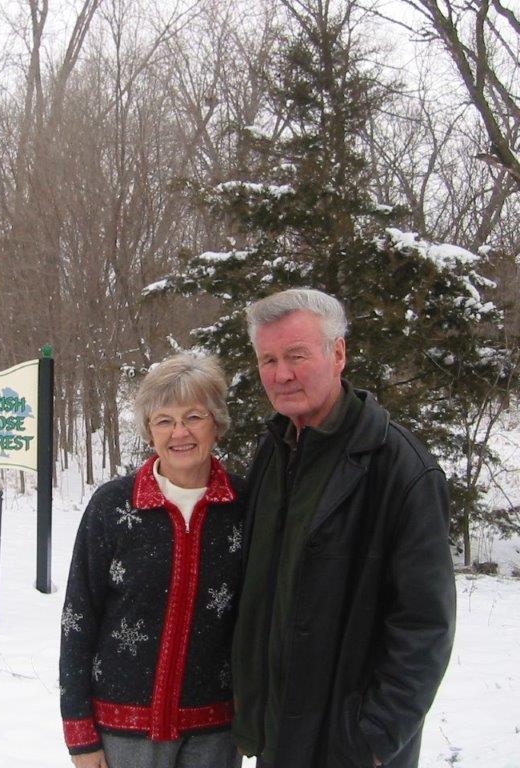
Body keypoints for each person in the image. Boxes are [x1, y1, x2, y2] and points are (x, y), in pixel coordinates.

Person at [231, 288, 456, 768]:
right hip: (278, 738)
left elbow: (424, 624)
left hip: (349, 745)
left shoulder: (399, 467)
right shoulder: (274, 451)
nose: (281, 374)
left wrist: (374, 739)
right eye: (268, 359)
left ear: (338, 354)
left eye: (296, 355)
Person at [60, 353, 245, 768]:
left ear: (216, 423)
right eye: (164, 420)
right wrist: (80, 734)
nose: (179, 433)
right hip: (123, 733)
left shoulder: (244, 505)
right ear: (149, 431)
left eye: (193, 417)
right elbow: (78, 619)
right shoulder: (114, 506)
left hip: (215, 732)